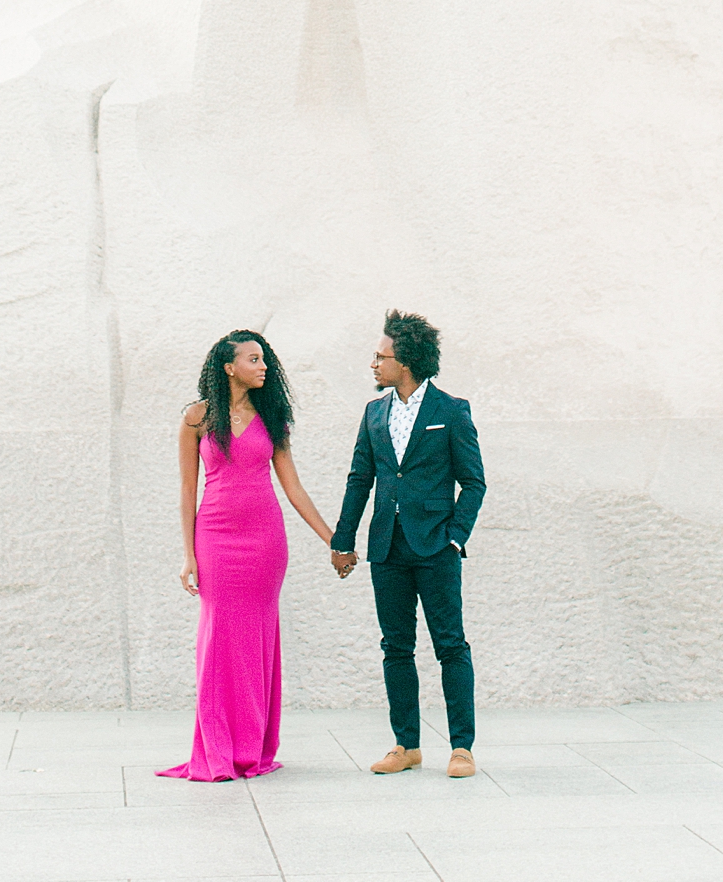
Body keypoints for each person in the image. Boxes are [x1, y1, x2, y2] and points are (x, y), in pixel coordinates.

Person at [158, 329, 348, 781]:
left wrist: (333, 541)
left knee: (258, 640)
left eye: (264, 360)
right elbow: (187, 490)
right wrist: (188, 554)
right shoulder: (197, 418)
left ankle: (251, 747)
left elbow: (293, 487)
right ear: (228, 366)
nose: (264, 366)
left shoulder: (272, 418)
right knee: (218, 640)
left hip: (265, 540)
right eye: (253, 359)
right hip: (216, 536)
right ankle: (217, 748)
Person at [330, 310, 485, 779]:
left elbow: (473, 482)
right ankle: (406, 744)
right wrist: (343, 539)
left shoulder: (451, 411)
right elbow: (361, 479)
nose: (374, 363)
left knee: (450, 645)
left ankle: (461, 747)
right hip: (387, 548)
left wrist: (455, 539)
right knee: (395, 646)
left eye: (382, 356)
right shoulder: (374, 412)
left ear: (409, 360)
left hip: (436, 547)